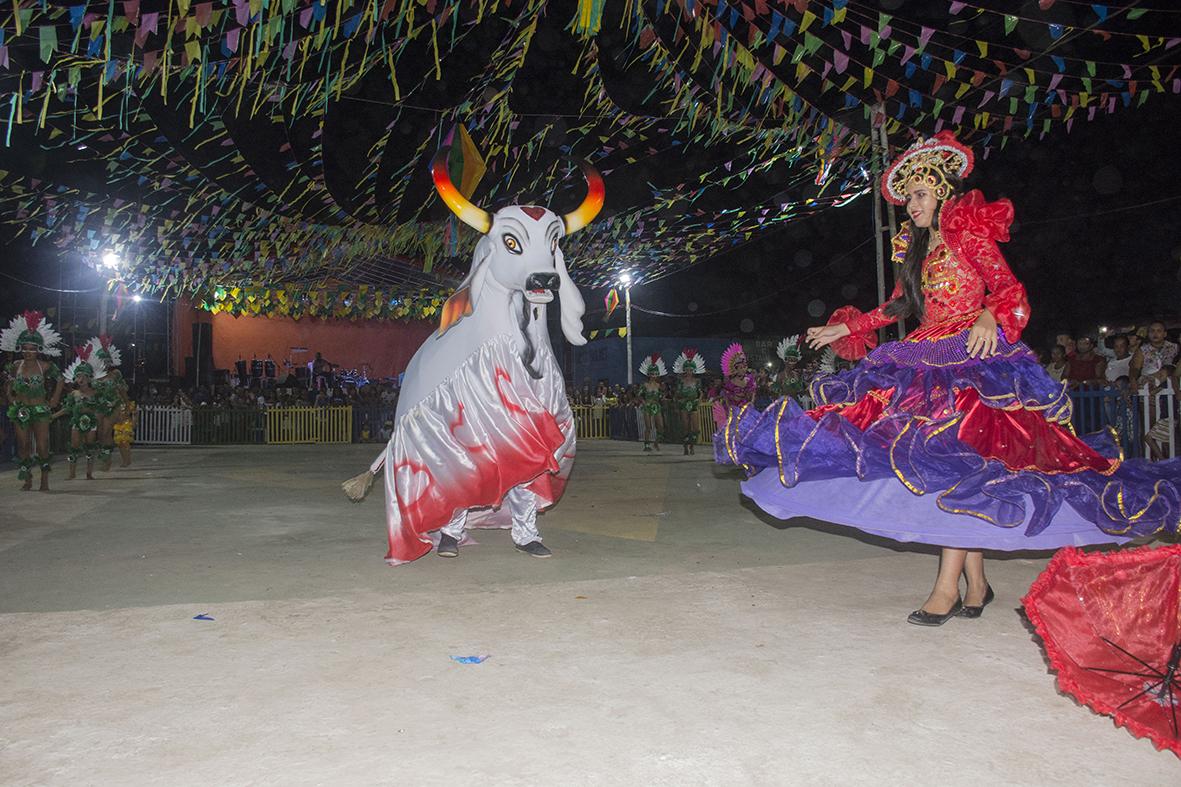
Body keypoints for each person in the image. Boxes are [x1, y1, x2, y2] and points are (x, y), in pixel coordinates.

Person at [722, 131, 1181, 626]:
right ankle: (977, 584)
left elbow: (1007, 287)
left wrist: (990, 317)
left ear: (942, 191)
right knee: (956, 468)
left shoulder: (967, 234)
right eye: (907, 198)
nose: (911, 206)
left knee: (960, 466)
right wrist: (846, 326)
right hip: (922, 355)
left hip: (972, 361)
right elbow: (898, 306)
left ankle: (947, 588)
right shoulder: (915, 250)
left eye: (918, 195)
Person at [1, 311, 64, 491]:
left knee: (43, 445)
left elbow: (60, 379)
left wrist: (55, 398)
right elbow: (9, 381)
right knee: (23, 445)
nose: (29, 352)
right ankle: (27, 479)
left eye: (33, 348)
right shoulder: (15, 366)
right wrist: (10, 395)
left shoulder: (45, 366)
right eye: (26, 348)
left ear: (38, 349)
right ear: (21, 348)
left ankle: (44, 479)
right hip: (21, 410)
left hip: (40, 409)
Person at [58, 345, 106, 481]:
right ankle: (71, 473)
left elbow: (102, 408)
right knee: (73, 447)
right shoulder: (74, 393)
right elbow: (67, 408)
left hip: (91, 423)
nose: (81, 379)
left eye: (84, 376)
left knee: (89, 448)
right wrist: (53, 416)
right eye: (79, 375)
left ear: (90, 378)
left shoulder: (95, 393)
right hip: (77, 422)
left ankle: (89, 473)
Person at [88, 335, 130, 470]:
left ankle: (124, 459)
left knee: (119, 435)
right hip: (100, 407)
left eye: (106, 361)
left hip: (116, 406)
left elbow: (122, 390)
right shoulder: (93, 376)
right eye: (102, 361)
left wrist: (128, 405)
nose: (104, 364)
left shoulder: (115, 374)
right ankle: (107, 459)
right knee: (101, 435)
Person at [712, 342, 756, 430]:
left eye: (745, 367)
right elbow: (726, 397)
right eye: (741, 368)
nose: (744, 369)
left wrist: (752, 402)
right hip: (734, 412)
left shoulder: (750, 379)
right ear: (735, 370)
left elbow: (753, 392)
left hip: (746, 411)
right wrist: (730, 409)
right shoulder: (730, 383)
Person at [672, 349, 705, 455]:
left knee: (695, 428)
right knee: (686, 427)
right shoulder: (681, 382)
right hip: (683, 405)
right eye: (687, 369)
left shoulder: (697, 382)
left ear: (694, 370)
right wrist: (678, 404)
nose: (689, 372)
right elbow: (676, 395)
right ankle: (686, 447)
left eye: (691, 369)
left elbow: (701, 393)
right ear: (684, 370)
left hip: (694, 404)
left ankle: (692, 445)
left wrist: (698, 401)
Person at [1130, 320, 1178, 390]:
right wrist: (1133, 380)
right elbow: (1135, 368)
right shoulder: (1142, 350)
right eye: (1152, 331)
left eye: (1159, 331)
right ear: (1148, 334)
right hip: (1147, 385)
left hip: (1170, 388)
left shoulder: (1175, 347)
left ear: (1165, 334)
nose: (1155, 334)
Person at [638, 354, 666, 451]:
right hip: (647, 406)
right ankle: (646, 445)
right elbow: (639, 395)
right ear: (649, 374)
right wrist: (644, 402)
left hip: (656, 406)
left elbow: (661, 396)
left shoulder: (659, 385)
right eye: (652, 374)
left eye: (655, 374)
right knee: (649, 426)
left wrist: (663, 395)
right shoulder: (644, 385)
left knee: (661, 426)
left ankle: (656, 442)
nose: (654, 376)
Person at [770, 335, 806, 399]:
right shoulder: (780, 375)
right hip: (784, 404)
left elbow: (801, 392)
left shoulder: (797, 375)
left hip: (795, 403)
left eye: (794, 360)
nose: (792, 363)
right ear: (784, 361)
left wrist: (798, 383)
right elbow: (775, 394)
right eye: (790, 359)